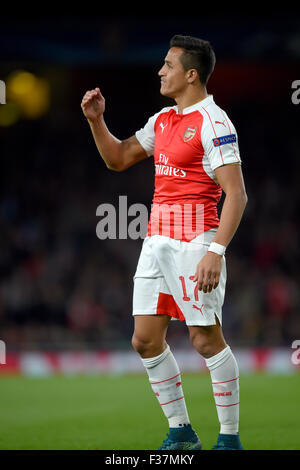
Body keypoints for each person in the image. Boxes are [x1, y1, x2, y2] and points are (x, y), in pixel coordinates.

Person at [81, 35, 247, 450]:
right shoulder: (163, 120)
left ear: (192, 75)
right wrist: (96, 121)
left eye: (168, 66)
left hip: (196, 241)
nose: (160, 71)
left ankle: (229, 439)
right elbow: (118, 158)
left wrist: (216, 251)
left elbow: (236, 193)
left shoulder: (214, 122)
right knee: (144, 340)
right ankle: (181, 430)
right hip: (156, 240)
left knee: (205, 340)